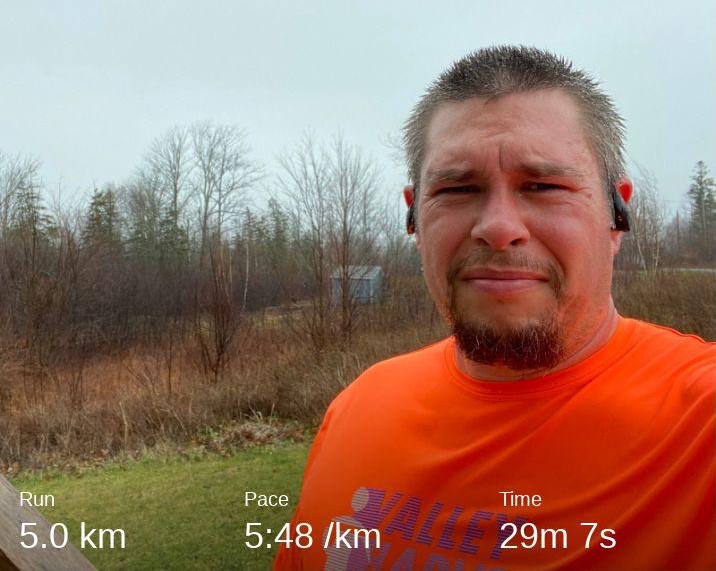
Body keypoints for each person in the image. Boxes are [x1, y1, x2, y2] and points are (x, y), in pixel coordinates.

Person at [273, 46, 715, 571]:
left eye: (544, 185)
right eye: (458, 188)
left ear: (616, 216)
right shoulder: (356, 409)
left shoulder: (697, 425)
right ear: (415, 220)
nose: (499, 227)